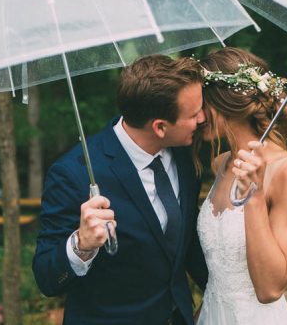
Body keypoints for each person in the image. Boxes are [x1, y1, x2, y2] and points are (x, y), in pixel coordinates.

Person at [32, 54, 208, 325]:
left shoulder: (185, 156)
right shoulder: (73, 173)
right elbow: (46, 278)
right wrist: (81, 245)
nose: (203, 118)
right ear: (160, 127)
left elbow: (186, 240)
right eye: (194, 114)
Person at [195, 47, 287, 324]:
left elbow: (270, 288)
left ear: (227, 103)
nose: (198, 116)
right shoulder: (220, 163)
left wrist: (255, 196)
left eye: (202, 105)